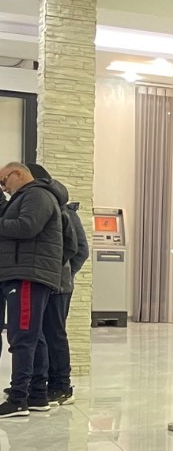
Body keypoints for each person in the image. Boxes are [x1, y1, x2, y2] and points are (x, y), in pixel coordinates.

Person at [0, 163, 66, 418]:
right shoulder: (26, 197)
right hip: (26, 273)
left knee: (22, 337)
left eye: (4, 181)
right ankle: (37, 395)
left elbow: (27, 226)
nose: (4, 187)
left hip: (28, 274)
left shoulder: (37, 194)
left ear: (18, 174)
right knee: (33, 336)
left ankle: (18, 399)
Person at [29, 164, 85, 405]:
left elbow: (80, 250)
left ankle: (61, 386)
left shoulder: (65, 210)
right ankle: (38, 384)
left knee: (54, 334)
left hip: (59, 285)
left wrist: (64, 273)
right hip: (42, 281)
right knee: (38, 334)